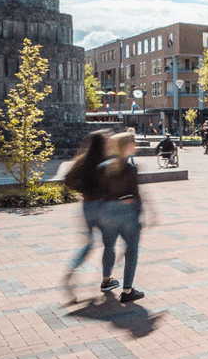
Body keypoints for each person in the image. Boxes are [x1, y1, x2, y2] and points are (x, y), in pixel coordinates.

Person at [61, 130, 115, 303]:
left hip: (87, 206)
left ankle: (70, 274)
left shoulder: (82, 160)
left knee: (89, 243)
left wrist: (83, 190)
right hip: (103, 206)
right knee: (109, 242)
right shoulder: (105, 162)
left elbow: (68, 180)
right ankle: (107, 280)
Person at [98, 130, 149, 303]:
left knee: (108, 246)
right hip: (126, 212)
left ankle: (106, 280)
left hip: (107, 212)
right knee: (131, 250)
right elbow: (134, 194)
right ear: (126, 147)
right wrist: (139, 213)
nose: (135, 147)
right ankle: (127, 290)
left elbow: (100, 192)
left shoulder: (103, 167)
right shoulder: (130, 168)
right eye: (132, 144)